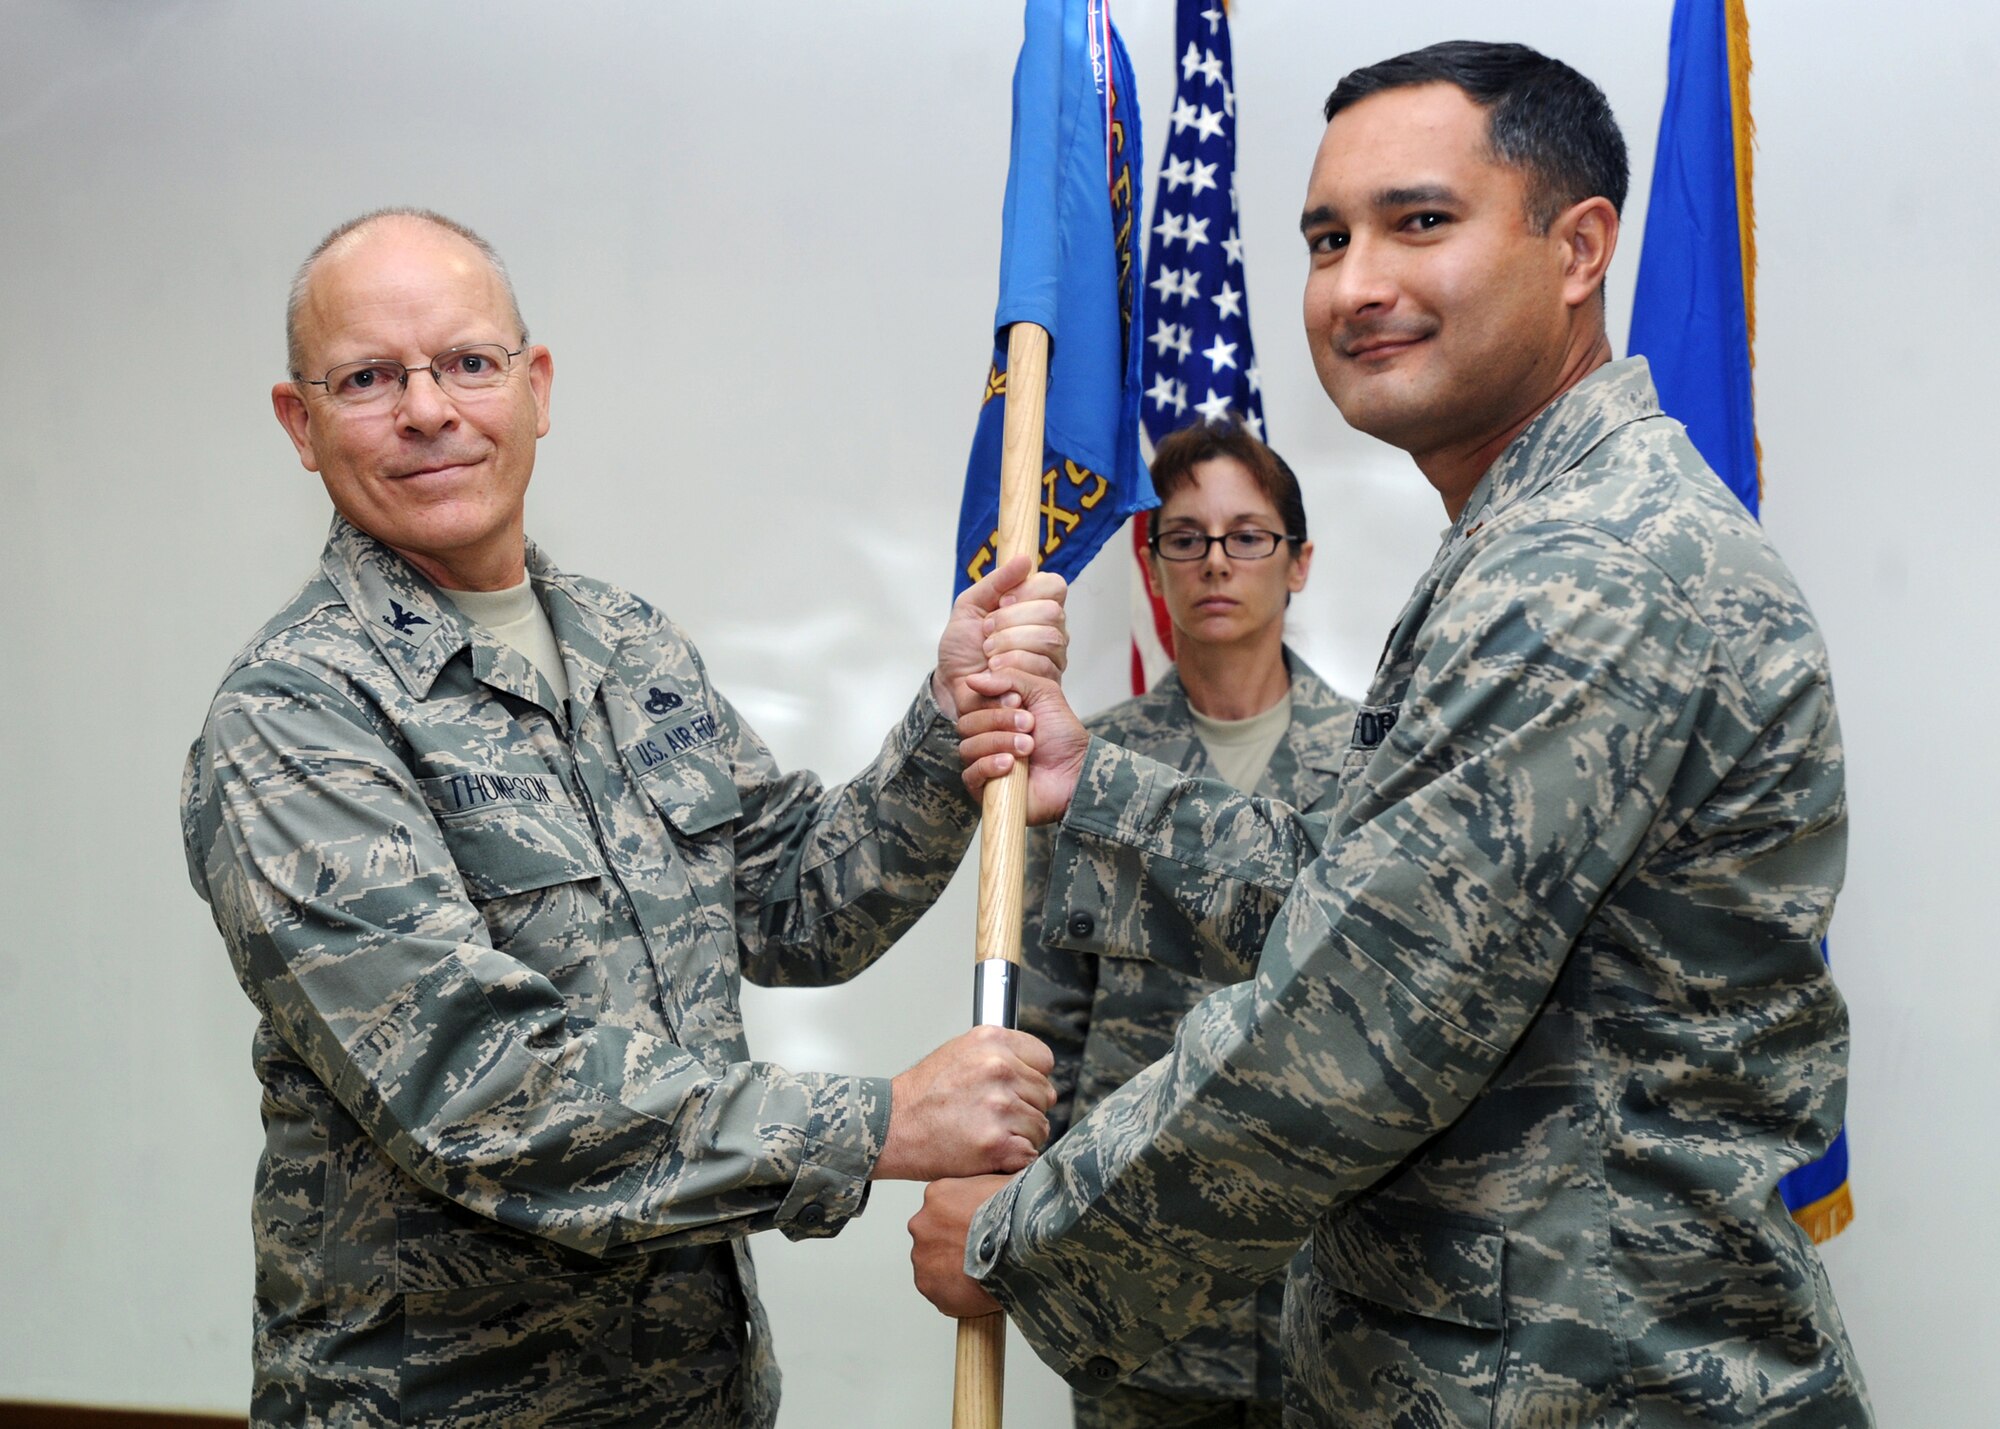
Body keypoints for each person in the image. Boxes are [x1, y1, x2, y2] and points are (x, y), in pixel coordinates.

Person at [913, 42, 1872, 1426]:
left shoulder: (1591, 565)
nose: (1357, 284)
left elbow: (1358, 1021)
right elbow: (1366, 887)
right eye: (1325, 237)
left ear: (1580, 247)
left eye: (1420, 221)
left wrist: (1024, 1238)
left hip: (1596, 1384)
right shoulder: (1529, 536)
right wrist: (1103, 785)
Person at [180, 208, 1064, 1428]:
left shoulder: (626, 644)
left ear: (535, 390)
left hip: (691, 1392)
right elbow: (481, 1084)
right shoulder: (293, 716)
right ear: (301, 421)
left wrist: (945, 722)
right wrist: (882, 1122)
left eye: (468, 364)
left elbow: (798, 900)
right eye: (371, 377)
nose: (429, 409)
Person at [1018, 417, 1355, 1429]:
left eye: (1247, 535)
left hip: (1334, 1296)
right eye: (1184, 536)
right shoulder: (1082, 772)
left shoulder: (1380, 770)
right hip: (1140, 1290)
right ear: (1148, 560)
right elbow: (1043, 1037)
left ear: (1297, 564)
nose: (1216, 562)